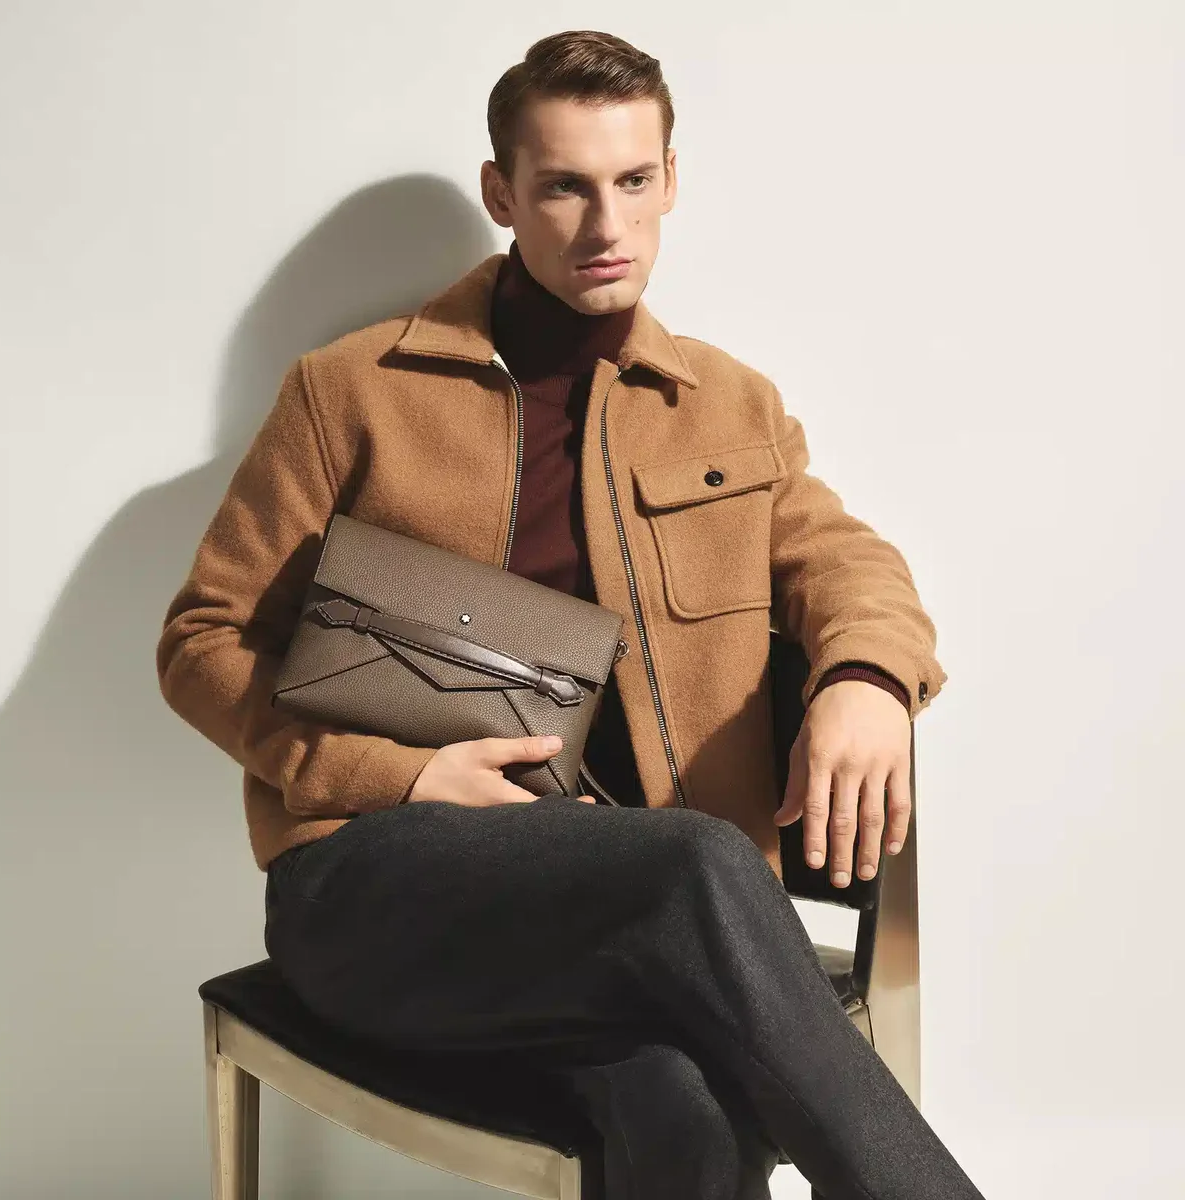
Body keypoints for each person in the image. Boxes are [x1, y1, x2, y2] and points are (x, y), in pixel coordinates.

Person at [156, 28, 984, 1200]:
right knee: (698, 862)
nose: (607, 225)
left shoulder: (726, 406)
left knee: (682, 1107)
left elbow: (849, 564)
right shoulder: (351, 395)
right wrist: (401, 778)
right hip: (383, 894)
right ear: (502, 193)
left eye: (634, 181)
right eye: (564, 187)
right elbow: (202, 641)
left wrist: (868, 679)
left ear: (672, 180)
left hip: (638, 919)